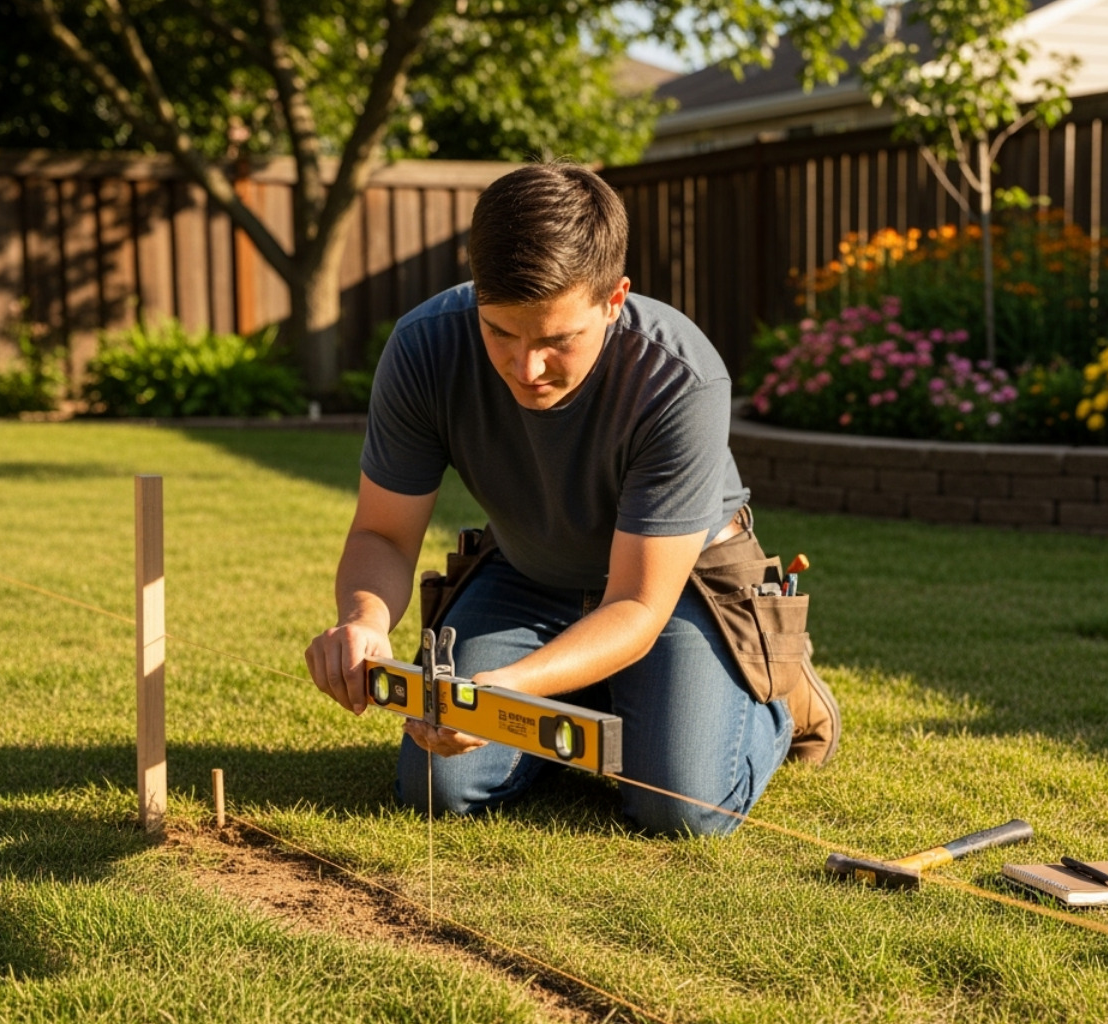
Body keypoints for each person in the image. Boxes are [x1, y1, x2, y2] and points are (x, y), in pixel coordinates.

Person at [303, 163, 838, 836]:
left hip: (680, 587)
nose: (526, 368)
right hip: (528, 572)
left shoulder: (680, 378)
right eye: (500, 332)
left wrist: (512, 689)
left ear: (615, 300)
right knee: (439, 787)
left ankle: (779, 690)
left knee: (680, 810)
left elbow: (636, 604)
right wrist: (364, 619)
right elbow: (382, 535)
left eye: (557, 341)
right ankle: (603, 691)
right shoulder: (423, 348)